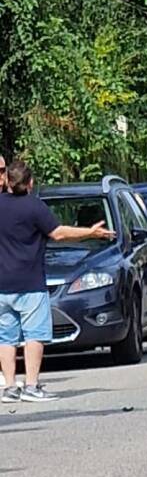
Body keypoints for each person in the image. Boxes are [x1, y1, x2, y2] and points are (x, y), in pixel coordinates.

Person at [0, 161, 115, 403]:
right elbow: (59, 232)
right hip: (30, 282)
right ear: (30, 183)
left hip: (2, 285)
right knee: (34, 336)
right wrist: (91, 232)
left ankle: (10, 387)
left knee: (5, 338)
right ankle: (31, 385)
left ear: (8, 181)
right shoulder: (34, 206)